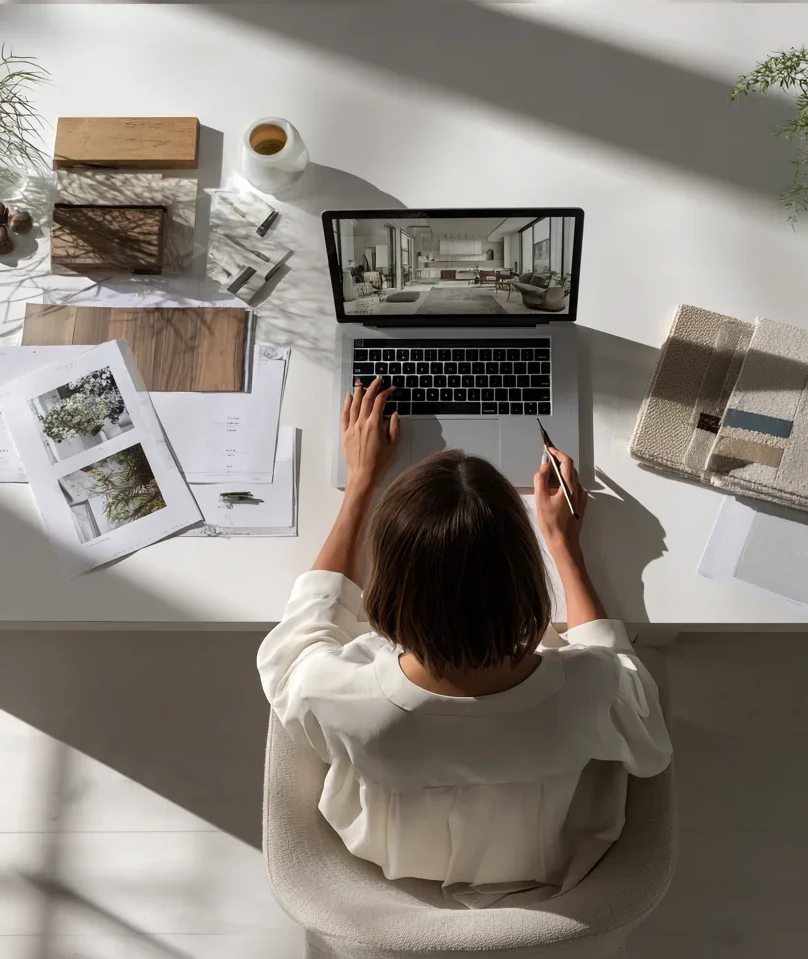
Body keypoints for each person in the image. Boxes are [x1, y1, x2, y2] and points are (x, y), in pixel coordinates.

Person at [257, 376, 672, 908]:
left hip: (395, 861)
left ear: (386, 592)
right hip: (548, 860)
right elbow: (643, 726)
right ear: (526, 578)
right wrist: (566, 548)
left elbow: (308, 622)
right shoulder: (593, 689)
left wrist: (361, 482)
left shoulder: (336, 693)